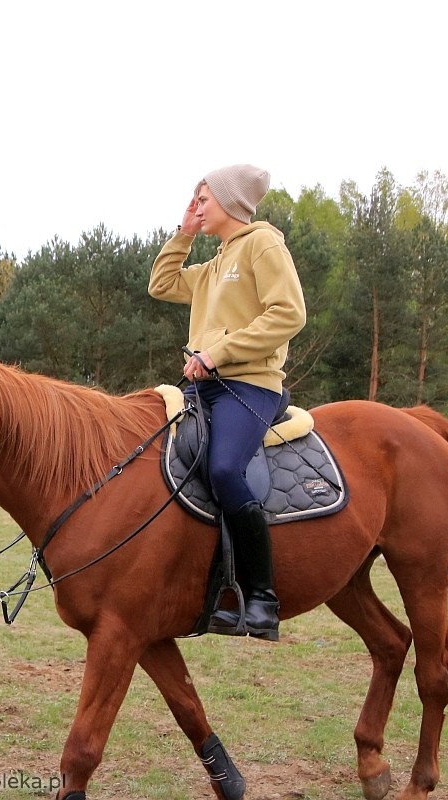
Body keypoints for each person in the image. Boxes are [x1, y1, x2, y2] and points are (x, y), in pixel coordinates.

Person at [148, 164, 306, 641]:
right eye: (194, 200)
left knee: (222, 471)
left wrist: (218, 352)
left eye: (204, 199)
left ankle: (261, 599)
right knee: (160, 461)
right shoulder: (215, 263)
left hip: (250, 386)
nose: (197, 206)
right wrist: (183, 233)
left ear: (231, 201)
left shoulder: (263, 244)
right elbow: (161, 285)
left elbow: (289, 313)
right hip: (204, 384)